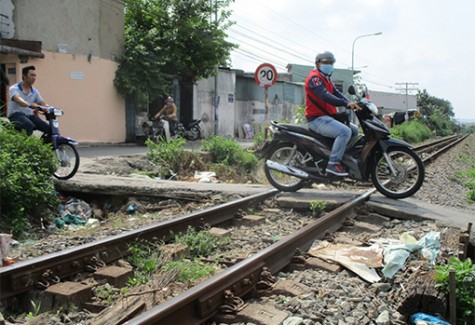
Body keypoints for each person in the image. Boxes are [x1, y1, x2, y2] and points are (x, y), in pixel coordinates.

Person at [304, 51, 360, 177]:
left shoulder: (326, 79)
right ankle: (333, 164)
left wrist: (350, 102)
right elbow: (326, 96)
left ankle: (342, 158)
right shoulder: (315, 79)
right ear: (318, 64)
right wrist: (345, 104)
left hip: (327, 118)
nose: (329, 65)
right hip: (317, 119)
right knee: (345, 132)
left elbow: (336, 93)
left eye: (331, 63)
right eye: (325, 63)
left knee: (355, 131)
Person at [8, 65, 50, 136]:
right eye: (32, 75)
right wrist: (30, 105)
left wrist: (49, 108)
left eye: (35, 76)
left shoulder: (34, 91)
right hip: (15, 115)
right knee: (28, 125)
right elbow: (18, 99)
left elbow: (43, 103)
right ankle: (25, 146)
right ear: (24, 76)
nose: (34, 78)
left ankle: (42, 146)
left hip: (30, 116)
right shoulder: (14, 88)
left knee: (49, 129)